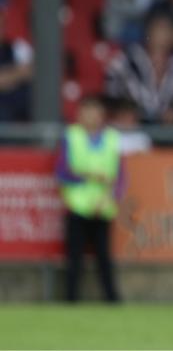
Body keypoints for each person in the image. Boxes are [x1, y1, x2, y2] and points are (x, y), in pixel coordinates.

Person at [56, 95, 124, 302]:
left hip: (103, 207)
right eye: (87, 112)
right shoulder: (72, 136)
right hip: (78, 206)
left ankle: (112, 300)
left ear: (102, 115)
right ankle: (71, 300)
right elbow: (61, 173)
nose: (91, 117)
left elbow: (121, 175)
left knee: (104, 259)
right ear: (79, 115)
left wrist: (112, 199)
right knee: (74, 258)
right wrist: (89, 176)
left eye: (95, 112)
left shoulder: (113, 138)